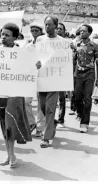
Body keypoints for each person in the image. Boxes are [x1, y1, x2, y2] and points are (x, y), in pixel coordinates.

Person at [0, 23, 32, 168]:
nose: (3, 37)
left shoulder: (20, 52)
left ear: (15, 37)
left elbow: (28, 69)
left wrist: (35, 66)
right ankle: (8, 154)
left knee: (10, 124)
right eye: (2, 34)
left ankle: (12, 154)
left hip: (14, 94)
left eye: (7, 35)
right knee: (3, 124)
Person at [36, 15, 65, 148]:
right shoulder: (40, 39)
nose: (47, 27)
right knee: (42, 107)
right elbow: (36, 56)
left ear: (56, 26)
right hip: (42, 77)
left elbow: (65, 60)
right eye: (45, 24)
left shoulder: (62, 42)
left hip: (54, 79)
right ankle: (52, 123)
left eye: (50, 25)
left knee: (50, 108)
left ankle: (46, 138)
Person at [74, 24, 98, 133]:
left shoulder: (95, 46)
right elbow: (73, 61)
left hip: (90, 73)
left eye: (84, 31)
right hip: (79, 74)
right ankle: (80, 113)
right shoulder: (76, 45)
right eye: (80, 31)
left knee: (87, 98)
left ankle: (85, 123)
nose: (81, 33)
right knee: (77, 97)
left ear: (89, 33)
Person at [24, 22, 45, 137]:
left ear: (41, 32)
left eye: (36, 31)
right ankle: (31, 123)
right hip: (30, 76)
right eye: (32, 31)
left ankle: (40, 127)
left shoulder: (46, 45)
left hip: (43, 76)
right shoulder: (28, 46)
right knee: (26, 101)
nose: (34, 33)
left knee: (41, 103)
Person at [55, 22, 67, 128]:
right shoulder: (48, 42)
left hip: (63, 74)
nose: (58, 30)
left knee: (61, 98)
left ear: (64, 31)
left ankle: (61, 119)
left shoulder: (67, 43)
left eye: (60, 29)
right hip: (51, 74)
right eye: (57, 28)